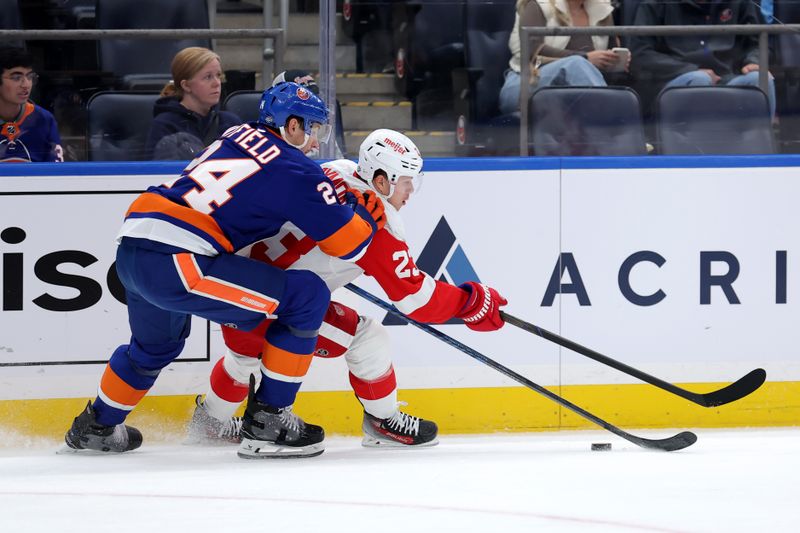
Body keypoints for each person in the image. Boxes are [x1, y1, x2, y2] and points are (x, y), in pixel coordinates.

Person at [63, 82, 384, 460]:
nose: (316, 143)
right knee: (308, 295)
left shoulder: (236, 133)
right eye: (314, 129)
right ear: (292, 126)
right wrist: (364, 214)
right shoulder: (295, 167)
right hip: (178, 259)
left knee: (155, 346)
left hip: (133, 246)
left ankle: (96, 426)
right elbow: (349, 245)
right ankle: (270, 421)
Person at [187, 129, 508, 450]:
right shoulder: (379, 225)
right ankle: (383, 420)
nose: (410, 190)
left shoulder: (334, 171)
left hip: (233, 289)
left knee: (243, 355)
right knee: (368, 338)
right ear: (381, 181)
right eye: (406, 181)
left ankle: (209, 422)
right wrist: (471, 302)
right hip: (279, 304)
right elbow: (416, 300)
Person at [630, 0, 776, 118]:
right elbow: (641, 54)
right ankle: (700, 150)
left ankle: (761, 151)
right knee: (699, 80)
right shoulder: (654, 4)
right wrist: (690, 70)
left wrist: (754, 61)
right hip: (674, 80)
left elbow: (759, 43)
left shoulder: (742, 3)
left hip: (728, 78)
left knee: (760, 78)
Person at [498, 0, 624, 115]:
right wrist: (585, 58)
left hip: (569, 97)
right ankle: (611, 120)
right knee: (576, 64)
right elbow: (532, 51)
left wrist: (615, 61)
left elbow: (606, 57)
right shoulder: (538, 5)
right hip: (524, 84)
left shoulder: (602, 10)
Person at [144, 47, 241, 160]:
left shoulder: (231, 122)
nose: (216, 83)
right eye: (208, 77)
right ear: (186, 85)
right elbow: (154, 172)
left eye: (218, 75)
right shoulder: (165, 124)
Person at [0, 46, 63, 163]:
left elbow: (55, 173)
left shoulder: (44, 119)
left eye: (29, 77)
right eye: (16, 78)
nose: (26, 85)